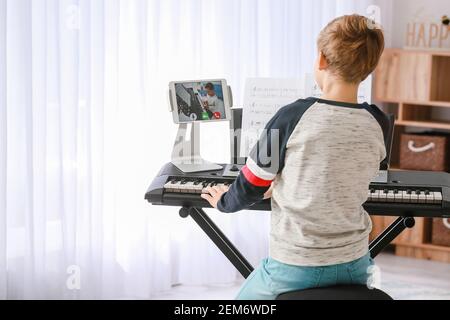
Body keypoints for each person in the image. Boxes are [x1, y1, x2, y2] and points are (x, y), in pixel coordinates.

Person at [201, 14, 389, 300]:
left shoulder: (292, 115)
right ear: (368, 68)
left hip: (296, 264)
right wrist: (288, 185)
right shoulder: (378, 122)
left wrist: (225, 202)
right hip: (357, 264)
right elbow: (341, 172)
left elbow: (252, 183)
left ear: (322, 60)